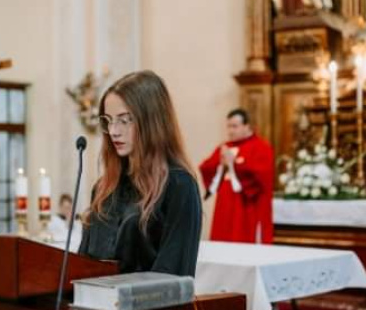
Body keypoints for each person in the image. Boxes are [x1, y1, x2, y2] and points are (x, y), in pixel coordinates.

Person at [78, 70, 202, 276]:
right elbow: (82, 263)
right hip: (93, 306)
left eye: (124, 120)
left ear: (152, 122)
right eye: (108, 120)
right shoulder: (103, 188)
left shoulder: (179, 186)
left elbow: (173, 275)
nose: (114, 131)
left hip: (145, 307)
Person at [200, 109, 275, 244]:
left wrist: (234, 164)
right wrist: (220, 165)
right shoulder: (224, 147)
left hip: (247, 205)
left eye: (235, 126)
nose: (230, 131)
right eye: (228, 126)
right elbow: (205, 167)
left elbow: (261, 176)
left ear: (247, 126)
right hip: (225, 203)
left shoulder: (261, 147)